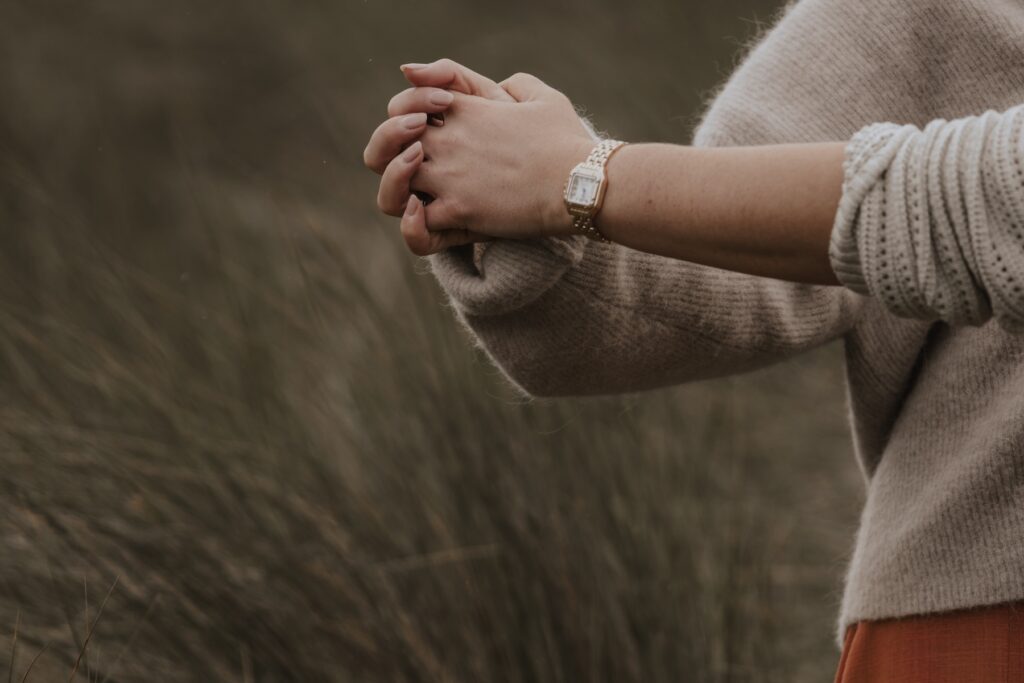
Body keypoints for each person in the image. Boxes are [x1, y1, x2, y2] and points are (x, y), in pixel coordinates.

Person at [363, 0, 1024, 679]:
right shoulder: (919, 11)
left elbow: (997, 196)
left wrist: (573, 176)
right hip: (984, 617)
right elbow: (726, 260)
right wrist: (528, 209)